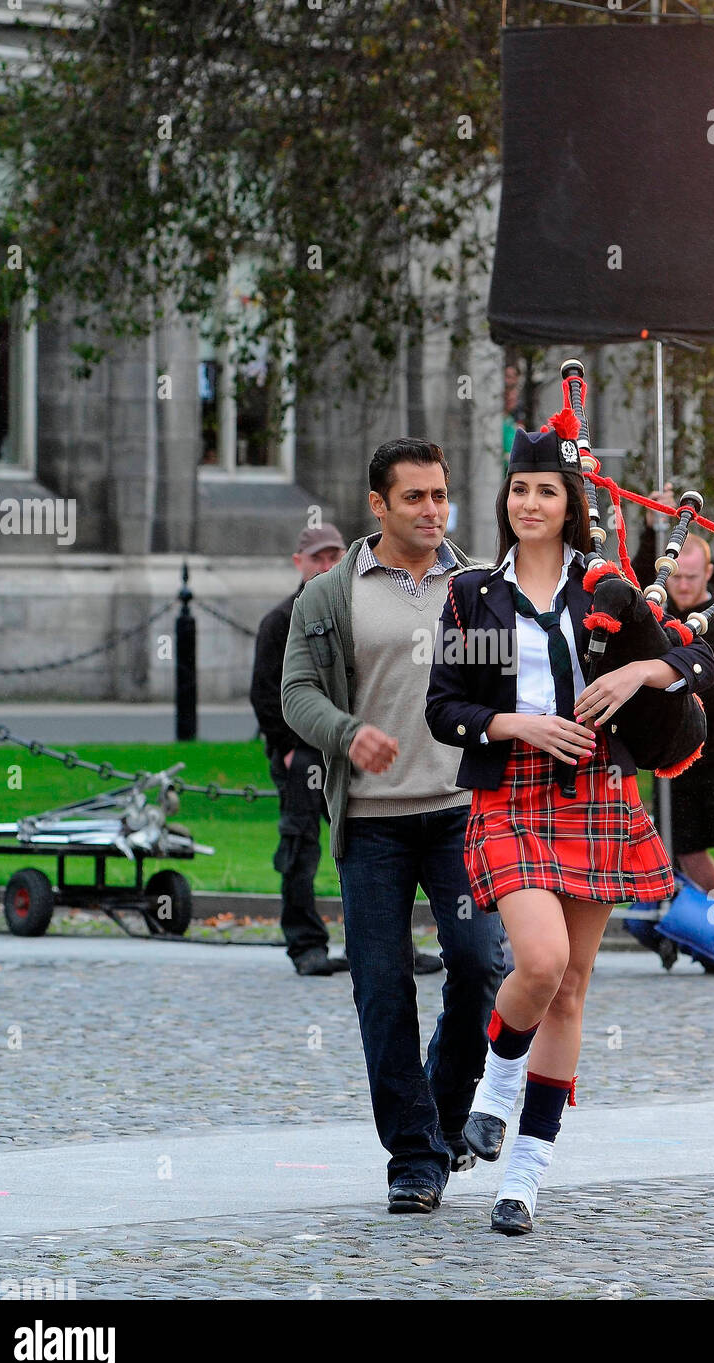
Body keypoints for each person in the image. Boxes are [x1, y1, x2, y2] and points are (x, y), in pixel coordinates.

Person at [425, 421, 714, 1235]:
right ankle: (493, 1087)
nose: (529, 502)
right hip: (509, 797)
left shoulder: (607, 589)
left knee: (574, 988)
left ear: (570, 503)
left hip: (594, 795)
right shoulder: (472, 594)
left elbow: (699, 665)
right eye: (519, 489)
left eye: (545, 490)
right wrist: (518, 725)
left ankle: (524, 1176)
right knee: (542, 962)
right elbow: (444, 711)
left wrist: (635, 668)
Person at [281, 439, 504, 1215]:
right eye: (415, 498)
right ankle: (413, 1158)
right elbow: (296, 693)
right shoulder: (332, 596)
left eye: (440, 495)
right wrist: (345, 732)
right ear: (378, 505)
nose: (433, 511)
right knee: (383, 990)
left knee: (479, 968)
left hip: (460, 816)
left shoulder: (479, 586)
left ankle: (442, 1122)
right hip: (372, 826)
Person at [633, 490, 714, 914]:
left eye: (691, 577)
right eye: (676, 578)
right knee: (684, 850)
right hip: (679, 756)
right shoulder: (664, 616)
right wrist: (652, 529)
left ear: (709, 573)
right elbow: (635, 586)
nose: (683, 586)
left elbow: (712, 695)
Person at [250, 525, 346, 976]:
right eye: (317, 559)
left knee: (376, 852)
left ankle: (387, 948)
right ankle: (305, 944)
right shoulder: (280, 621)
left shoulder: (356, 609)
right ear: (300, 563)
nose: (326, 567)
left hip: (349, 750)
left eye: (334, 558)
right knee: (300, 849)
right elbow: (266, 694)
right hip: (304, 754)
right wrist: (288, 750)